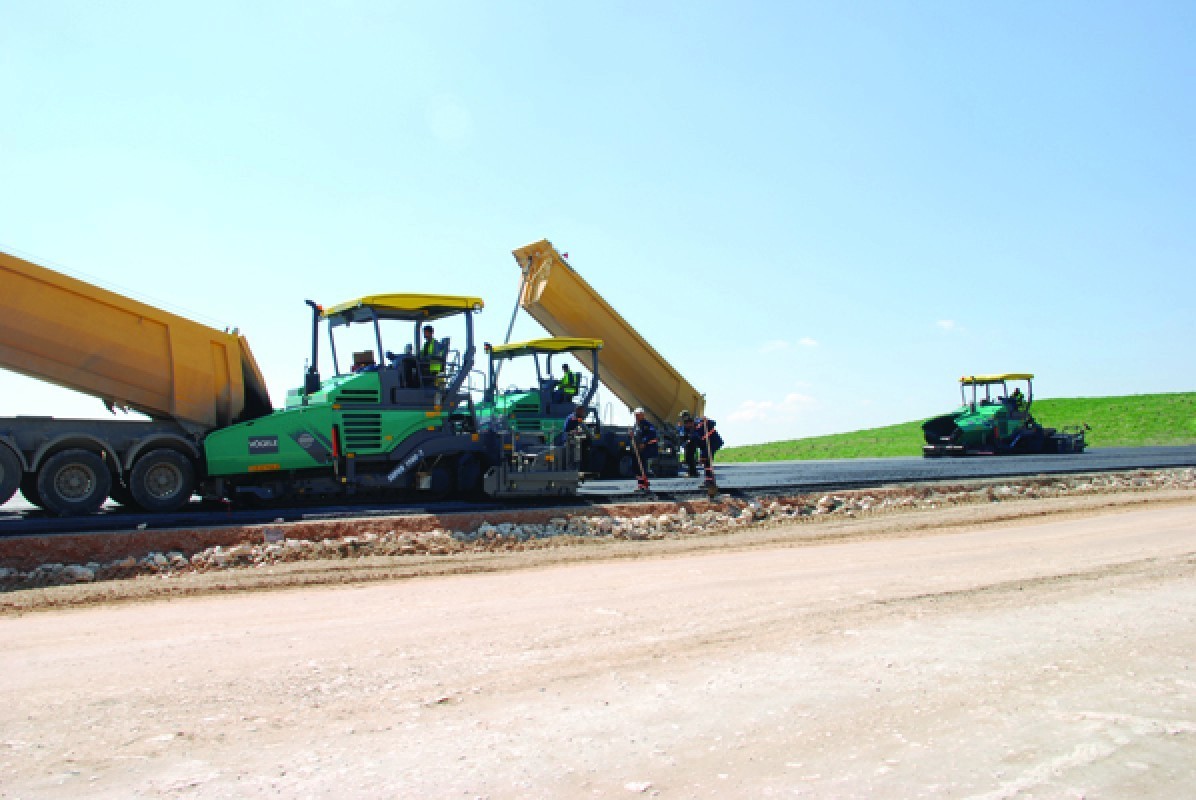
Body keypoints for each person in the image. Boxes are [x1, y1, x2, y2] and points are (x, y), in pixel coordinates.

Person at [680, 410, 723, 483]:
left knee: (706, 459)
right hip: (705, 444)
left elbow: (713, 423)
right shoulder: (691, 431)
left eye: (687, 424)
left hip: (714, 442)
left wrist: (706, 420)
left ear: (691, 422)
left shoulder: (701, 424)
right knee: (705, 460)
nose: (686, 426)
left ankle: (710, 480)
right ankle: (708, 480)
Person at [631, 407, 659, 485]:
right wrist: (631, 436)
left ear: (642, 415)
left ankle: (644, 483)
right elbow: (635, 435)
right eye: (635, 415)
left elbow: (652, 434)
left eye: (638, 415)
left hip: (644, 450)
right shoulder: (636, 425)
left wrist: (644, 442)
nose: (636, 417)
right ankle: (640, 483)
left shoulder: (647, 425)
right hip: (636, 449)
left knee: (642, 467)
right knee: (635, 467)